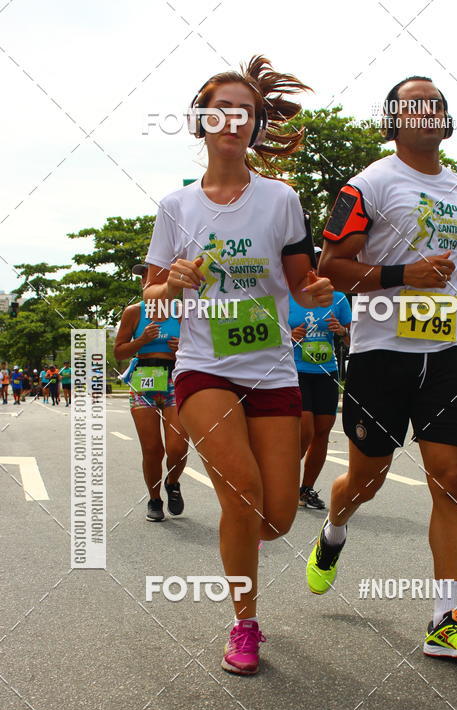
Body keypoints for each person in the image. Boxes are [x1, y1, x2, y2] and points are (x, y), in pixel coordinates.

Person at [306, 75, 457, 659]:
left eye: (436, 104)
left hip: (446, 351)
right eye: (413, 104)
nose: (426, 111)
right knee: (365, 482)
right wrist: (401, 276)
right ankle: (333, 530)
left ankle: (444, 621)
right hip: (380, 354)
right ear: (394, 120)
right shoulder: (368, 185)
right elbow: (331, 265)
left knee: (449, 479)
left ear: (446, 120)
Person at [143, 55, 333, 675]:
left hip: (273, 370)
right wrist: (172, 280)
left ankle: (246, 578)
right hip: (203, 368)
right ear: (201, 121)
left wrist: (315, 293)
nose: (232, 120)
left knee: (274, 518)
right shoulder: (175, 207)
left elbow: (303, 284)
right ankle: (244, 624)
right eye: (220, 110)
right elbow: (151, 294)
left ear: (255, 125)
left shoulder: (281, 199)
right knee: (241, 491)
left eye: (244, 112)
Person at [114, 262, 189, 522]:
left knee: (178, 447)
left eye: (152, 274)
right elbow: (119, 352)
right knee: (152, 449)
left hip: (175, 379)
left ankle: (172, 482)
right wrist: (141, 341)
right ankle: (154, 499)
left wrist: (183, 348)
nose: (146, 280)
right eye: (143, 277)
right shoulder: (134, 312)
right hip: (144, 379)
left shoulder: (184, 311)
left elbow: (205, 350)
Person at [289, 251, 351, 509]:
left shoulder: (338, 299)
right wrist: (289, 336)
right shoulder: (288, 298)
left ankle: (306, 489)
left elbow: (352, 341)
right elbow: (270, 337)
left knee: (322, 431)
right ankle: (284, 482)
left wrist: (343, 331)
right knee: (305, 430)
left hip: (326, 371)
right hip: (296, 370)